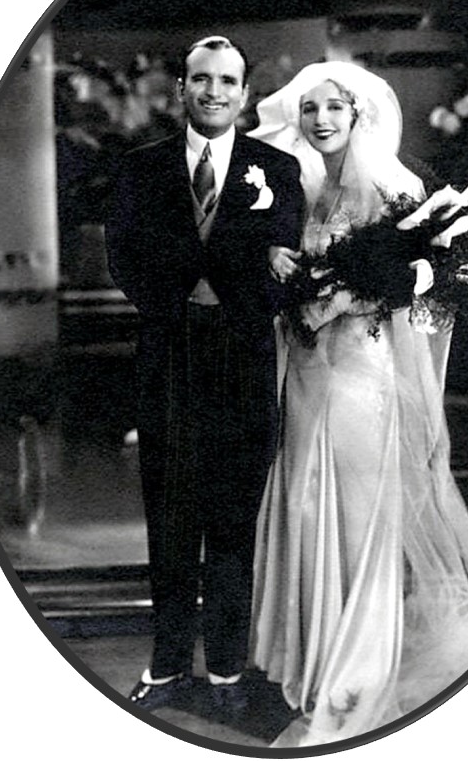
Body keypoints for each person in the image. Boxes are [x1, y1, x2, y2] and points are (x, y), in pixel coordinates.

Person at [249, 62, 468, 747]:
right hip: (305, 371)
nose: (321, 120)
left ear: (358, 113)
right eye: (309, 109)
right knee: (307, 508)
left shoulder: (396, 189)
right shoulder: (301, 188)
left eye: (334, 107)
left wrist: (343, 299)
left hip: (363, 374)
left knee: (360, 521)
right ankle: (313, 662)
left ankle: (357, 671)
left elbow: (414, 294)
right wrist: (288, 285)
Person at [105, 35, 304, 712]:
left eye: (226, 81)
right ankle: (165, 667)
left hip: (243, 359)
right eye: (201, 79)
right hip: (168, 354)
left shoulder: (276, 169)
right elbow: (123, 257)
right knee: (168, 519)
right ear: (181, 89)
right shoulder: (141, 168)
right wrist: (177, 307)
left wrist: (241, 300)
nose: (213, 91)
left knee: (232, 523)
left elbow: (286, 261)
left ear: (245, 94)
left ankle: (224, 672)